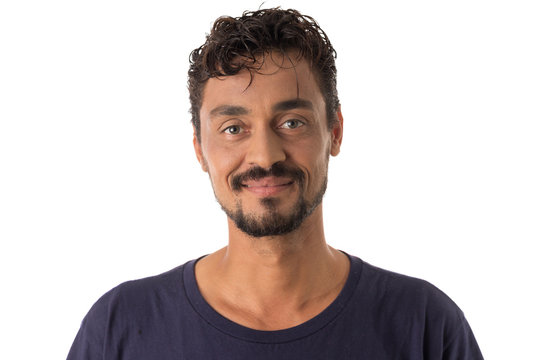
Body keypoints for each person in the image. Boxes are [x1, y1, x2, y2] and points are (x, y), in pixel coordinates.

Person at [67, 8, 483, 359]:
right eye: (233, 128)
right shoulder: (118, 329)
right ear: (199, 149)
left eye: (291, 122)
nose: (265, 156)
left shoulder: (425, 326)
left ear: (334, 132)